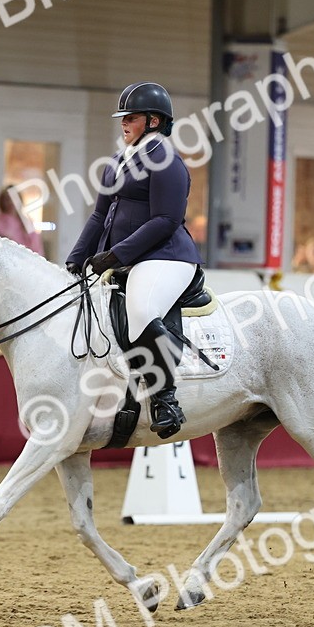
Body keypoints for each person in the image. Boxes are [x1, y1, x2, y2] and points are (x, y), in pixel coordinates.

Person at [65, 81, 203, 438]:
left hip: (166, 257)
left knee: (140, 310)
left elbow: (166, 220)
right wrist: (76, 258)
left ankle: (165, 399)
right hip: (128, 258)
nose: (123, 122)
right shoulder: (116, 162)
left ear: (154, 122)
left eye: (132, 117)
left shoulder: (167, 161)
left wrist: (116, 254)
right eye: (123, 116)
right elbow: (99, 216)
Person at [0, 187, 43, 254]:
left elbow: (37, 247)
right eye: (7, 199)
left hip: (24, 260)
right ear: (2, 201)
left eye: (14, 198)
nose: (11, 202)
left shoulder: (27, 222)